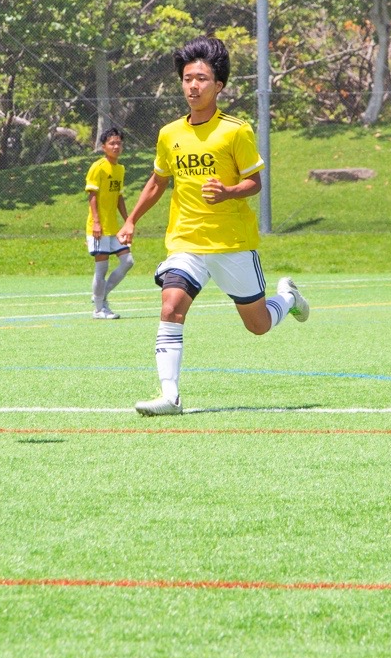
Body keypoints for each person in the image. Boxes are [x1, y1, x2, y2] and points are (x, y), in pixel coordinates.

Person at [119, 36, 308, 416]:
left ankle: (287, 297)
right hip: (186, 241)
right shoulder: (169, 134)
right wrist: (131, 220)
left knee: (258, 325)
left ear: (218, 85)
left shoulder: (236, 131)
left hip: (231, 243)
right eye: (187, 78)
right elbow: (157, 182)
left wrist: (228, 192)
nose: (193, 86)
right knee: (171, 306)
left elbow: (255, 182)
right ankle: (170, 396)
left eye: (202, 79)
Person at [83, 127, 135, 319]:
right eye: (112, 143)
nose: (116, 146)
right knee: (102, 268)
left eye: (119, 143)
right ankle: (99, 309)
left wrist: (128, 221)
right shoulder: (98, 167)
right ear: (103, 146)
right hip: (98, 228)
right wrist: (96, 223)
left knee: (128, 261)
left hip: (114, 228)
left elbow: (119, 197)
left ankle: (100, 294)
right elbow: (92, 196)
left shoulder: (120, 169)